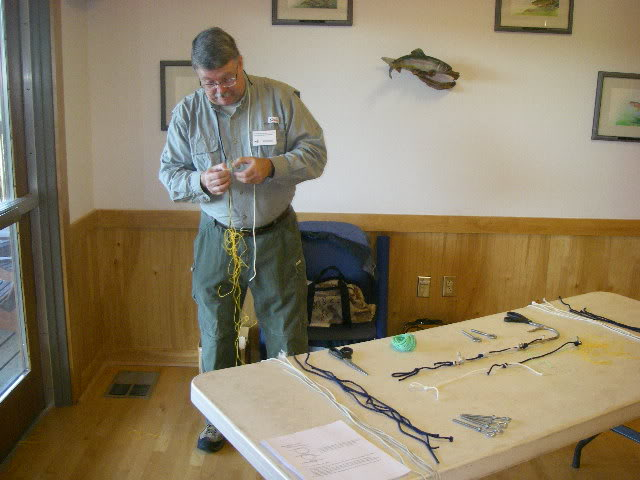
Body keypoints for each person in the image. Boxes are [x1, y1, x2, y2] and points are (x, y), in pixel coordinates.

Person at [159, 27, 327, 453]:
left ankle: (288, 418)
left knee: (287, 331)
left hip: (275, 234)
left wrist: (272, 166)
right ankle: (219, 421)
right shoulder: (187, 112)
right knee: (216, 331)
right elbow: (170, 175)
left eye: (228, 78)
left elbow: (315, 154)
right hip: (217, 236)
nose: (220, 90)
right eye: (209, 82)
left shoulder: (280, 98)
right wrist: (199, 179)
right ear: (199, 77)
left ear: (241, 63)